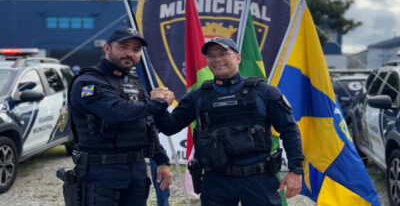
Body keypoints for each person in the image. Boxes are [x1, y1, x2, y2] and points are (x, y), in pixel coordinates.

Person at [151, 37, 304, 206]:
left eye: (223, 54)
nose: (217, 60)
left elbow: (289, 130)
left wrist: (295, 171)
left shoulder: (264, 92)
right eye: (211, 56)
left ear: (237, 58)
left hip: (258, 178)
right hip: (217, 181)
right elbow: (169, 127)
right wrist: (159, 104)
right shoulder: (198, 96)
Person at [67, 27, 174, 206]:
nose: (129, 53)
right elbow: (117, 112)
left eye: (136, 49)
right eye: (124, 47)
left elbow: (147, 123)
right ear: (107, 48)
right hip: (101, 171)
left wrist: (161, 160)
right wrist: (160, 103)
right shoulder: (88, 82)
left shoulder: (134, 81)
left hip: (136, 171)